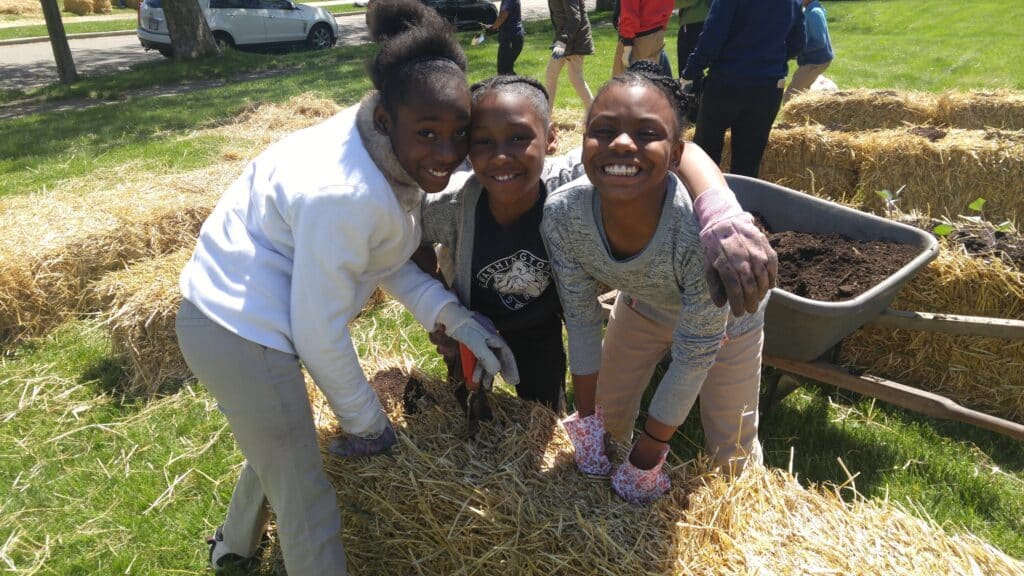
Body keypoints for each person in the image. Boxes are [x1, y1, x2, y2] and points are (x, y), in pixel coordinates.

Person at [174, 1, 518, 574]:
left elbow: (381, 258)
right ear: (387, 120)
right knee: (305, 496)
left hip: (248, 314)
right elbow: (317, 330)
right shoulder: (346, 192)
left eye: (459, 133)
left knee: (278, 441)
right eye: (428, 133)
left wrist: (453, 316)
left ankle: (232, 550)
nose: (447, 153)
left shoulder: (379, 143)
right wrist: (367, 423)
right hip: (237, 326)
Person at [419, 75, 771, 416]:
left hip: (537, 325)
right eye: (484, 142)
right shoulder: (451, 209)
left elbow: (684, 149)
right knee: (466, 403)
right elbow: (407, 238)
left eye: (519, 138)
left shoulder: (570, 182)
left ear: (551, 138)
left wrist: (720, 213)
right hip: (472, 321)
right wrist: (442, 306)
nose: (501, 156)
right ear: (467, 149)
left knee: (541, 414)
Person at [542, 61, 769, 505]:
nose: (623, 143)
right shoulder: (564, 216)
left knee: (732, 446)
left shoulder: (697, 240)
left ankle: (742, 509)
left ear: (675, 154)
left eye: (647, 134)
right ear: (583, 140)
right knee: (609, 418)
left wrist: (649, 454)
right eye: (604, 130)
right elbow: (583, 321)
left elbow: (696, 351)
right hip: (646, 301)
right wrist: (587, 421)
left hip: (727, 322)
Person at [681, 0, 805, 178]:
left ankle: (702, 202)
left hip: (727, 81)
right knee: (749, 161)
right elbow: (798, 43)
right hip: (768, 85)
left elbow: (712, 37)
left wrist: (690, 72)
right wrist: (771, 57)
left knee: (705, 155)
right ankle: (742, 203)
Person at [545, 0, 594, 109]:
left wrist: (562, 41)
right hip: (564, 40)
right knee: (551, 75)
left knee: (576, 78)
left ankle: (594, 114)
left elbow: (575, 19)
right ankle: (546, 116)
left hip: (575, 41)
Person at [784, 0, 834, 103]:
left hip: (815, 61)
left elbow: (819, 41)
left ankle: (791, 118)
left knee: (789, 97)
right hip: (815, 60)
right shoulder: (811, 10)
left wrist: (798, 50)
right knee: (803, 94)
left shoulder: (814, 13)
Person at [611, 0, 673, 77]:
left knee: (622, 82)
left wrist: (627, 44)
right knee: (651, 80)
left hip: (639, 38)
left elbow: (629, 12)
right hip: (657, 32)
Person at [483, 0, 524, 75]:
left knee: (503, 70)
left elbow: (504, 15)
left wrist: (493, 28)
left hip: (510, 37)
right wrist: (493, 26)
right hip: (513, 36)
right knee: (507, 69)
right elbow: (507, 18)